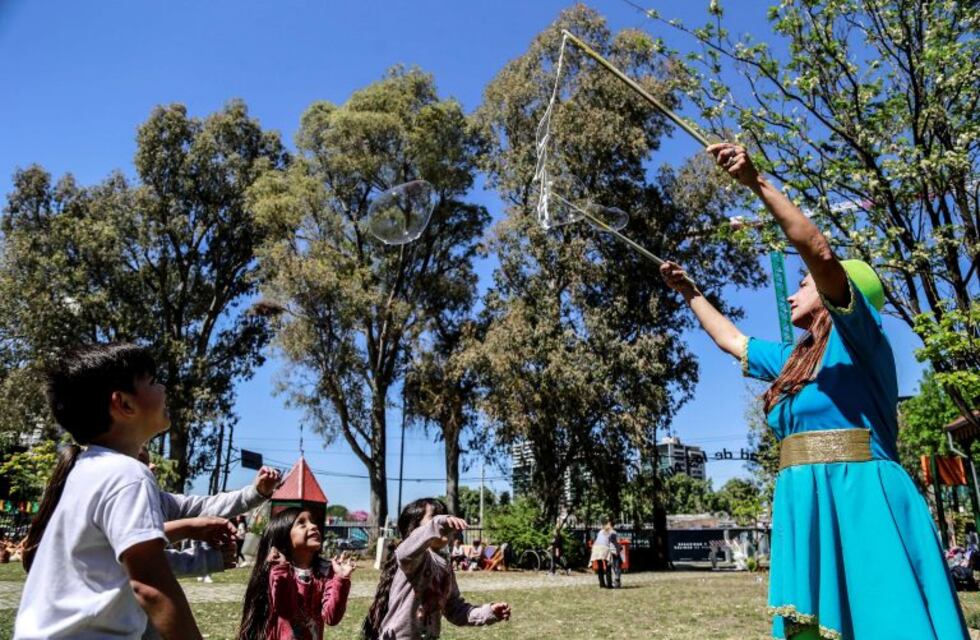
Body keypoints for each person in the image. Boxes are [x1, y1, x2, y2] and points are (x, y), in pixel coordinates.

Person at [659, 142, 969, 639]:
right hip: (805, 496)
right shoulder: (794, 360)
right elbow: (731, 340)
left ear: (837, 292)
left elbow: (819, 251)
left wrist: (756, 184)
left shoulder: (863, 340)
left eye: (803, 284)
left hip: (863, 498)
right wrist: (690, 291)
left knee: (881, 620)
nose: (792, 291)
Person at [14, 343, 202, 639]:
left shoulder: (86, 470)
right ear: (125, 404)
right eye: (152, 382)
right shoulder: (128, 474)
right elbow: (151, 586)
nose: (163, 388)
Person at [361, 498, 511, 640]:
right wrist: (438, 523)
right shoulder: (414, 559)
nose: (445, 523)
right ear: (415, 530)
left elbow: (455, 609)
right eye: (435, 517)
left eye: (446, 517)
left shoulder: (445, 565)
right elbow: (405, 552)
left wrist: (488, 611)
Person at [237, 507, 354, 640]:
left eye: (312, 521)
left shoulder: (325, 572)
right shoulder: (278, 571)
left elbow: (331, 617)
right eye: (302, 523)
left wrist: (341, 578)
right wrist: (281, 570)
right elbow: (286, 610)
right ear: (283, 535)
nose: (314, 526)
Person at [589, 518, 619, 589]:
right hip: (604, 548)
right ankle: (609, 585)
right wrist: (617, 551)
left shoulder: (601, 531)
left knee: (600, 567)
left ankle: (601, 584)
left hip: (596, 548)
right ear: (613, 525)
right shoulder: (613, 532)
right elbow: (614, 543)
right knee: (608, 566)